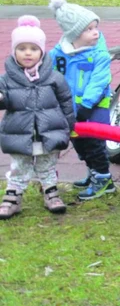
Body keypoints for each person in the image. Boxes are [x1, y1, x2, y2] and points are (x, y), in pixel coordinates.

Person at [0, 16, 75, 219]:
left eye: (33, 49)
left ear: (41, 51)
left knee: (47, 166)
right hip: (19, 133)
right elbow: (3, 102)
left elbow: (66, 102)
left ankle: (51, 192)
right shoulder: (6, 80)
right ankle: (13, 196)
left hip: (48, 132)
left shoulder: (53, 77)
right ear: (14, 51)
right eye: (21, 48)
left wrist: (68, 126)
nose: (27, 53)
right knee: (19, 167)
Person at [48, 0, 115, 200]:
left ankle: (104, 179)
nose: (96, 32)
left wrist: (87, 103)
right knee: (79, 142)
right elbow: (52, 75)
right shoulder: (59, 54)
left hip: (94, 106)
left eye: (96, 27)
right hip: (69, 107)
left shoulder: (99, 54)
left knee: (95, 143)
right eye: (89, 29)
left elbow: (99, 80)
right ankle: (92, 171)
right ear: (74, 34)